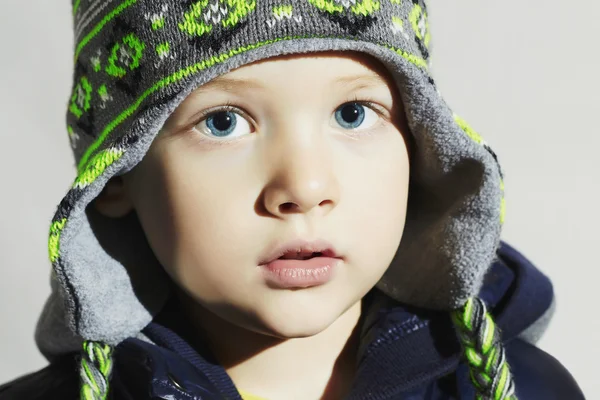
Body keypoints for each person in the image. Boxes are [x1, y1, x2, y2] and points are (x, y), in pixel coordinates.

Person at [0, 0, 585, 399]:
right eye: (224, 122)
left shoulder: (525, 389)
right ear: (117, 175)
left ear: (419, 142)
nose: (304, 188)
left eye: (353, 114)